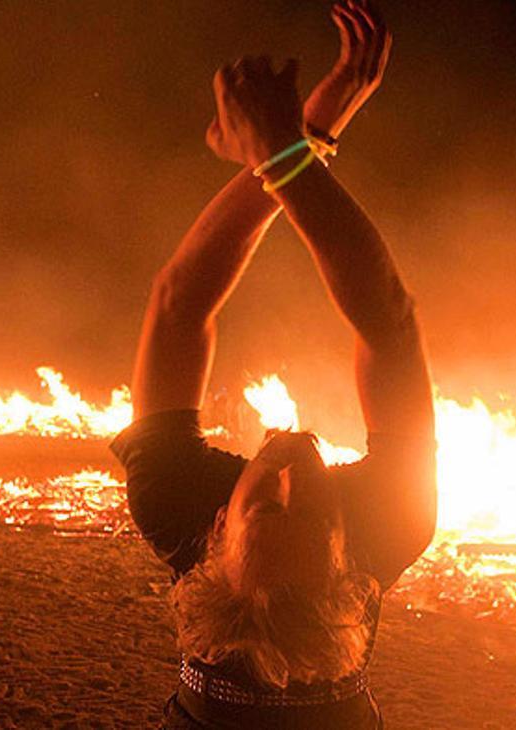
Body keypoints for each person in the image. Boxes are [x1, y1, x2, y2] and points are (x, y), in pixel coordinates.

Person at [110, 2, 436, 727]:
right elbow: (389, 324)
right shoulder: (392, 521)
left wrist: (297, 143)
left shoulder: (174, 504)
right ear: (349, 553)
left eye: (267, 503)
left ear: (217, 527)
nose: (292, 470)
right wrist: (287, 148)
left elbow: (177, 306)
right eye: (315, 510)